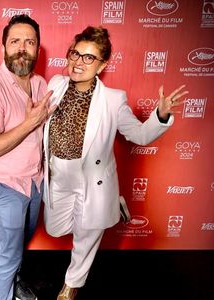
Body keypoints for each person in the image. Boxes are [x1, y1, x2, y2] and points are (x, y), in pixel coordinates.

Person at [43, 26, 188, 300]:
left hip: (92, 179)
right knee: (56, 227)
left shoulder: (112, 100)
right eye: (75, 53)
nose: (78, 62)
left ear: (102, 65)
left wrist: (162, 114)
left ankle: (71, 285)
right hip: (58, 175)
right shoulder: (55, 85)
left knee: (87, 236)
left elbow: (140, 135)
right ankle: (114, 204)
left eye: (89, 58)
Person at [0, 14, 55, 300]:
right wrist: (30, 122)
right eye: (15, 41)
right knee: (7, 254)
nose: (22, 48)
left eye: (29, 42)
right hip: (4, 185)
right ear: (3, 47)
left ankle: (12, 286)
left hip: (34, 183)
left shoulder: (42, 85)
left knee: (18, 247)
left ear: (37, 48)